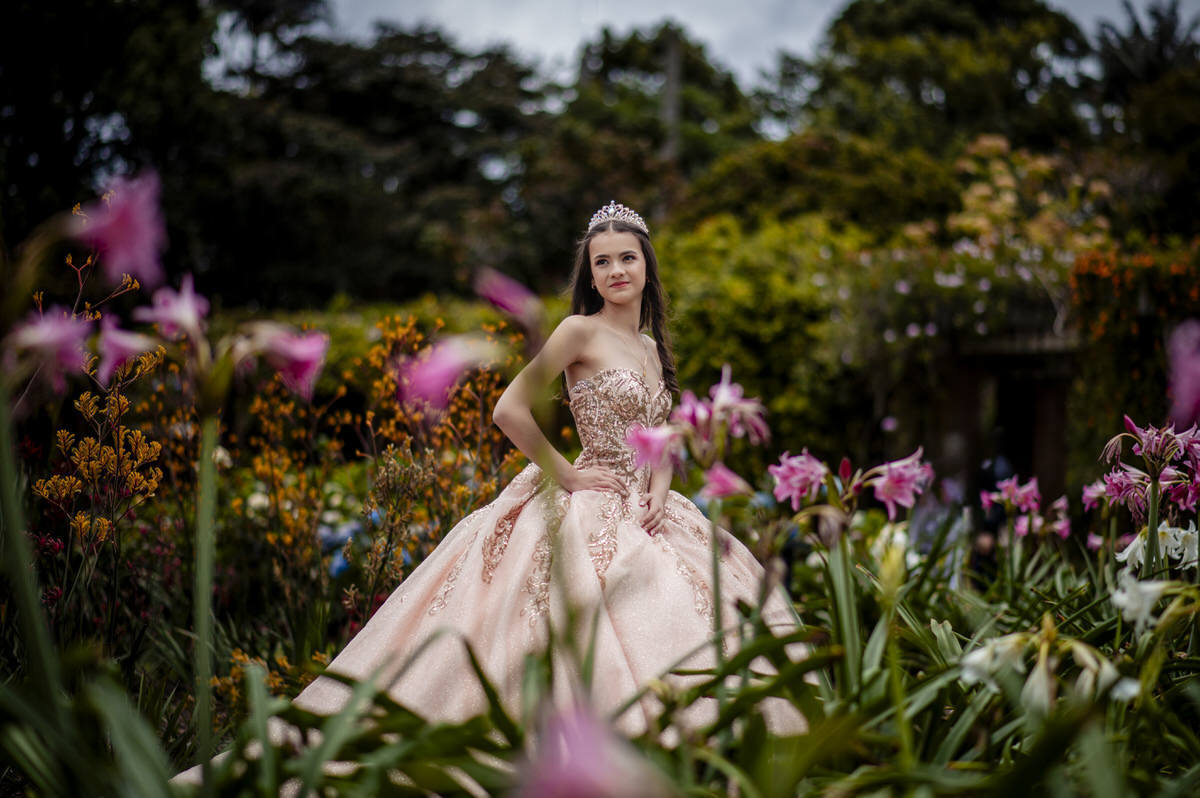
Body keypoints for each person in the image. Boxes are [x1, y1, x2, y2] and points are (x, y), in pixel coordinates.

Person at [178, 204, 804, 785]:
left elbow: (661, 436)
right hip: (586, 494)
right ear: (591, 275)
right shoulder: (576, 332)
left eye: (627, 258)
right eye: (602, 261)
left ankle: (703, 764)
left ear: (647, 266)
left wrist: (661, 492)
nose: (616, 270)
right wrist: (570, 474)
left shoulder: (649, 345)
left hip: (650, 506)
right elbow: (510, 409)